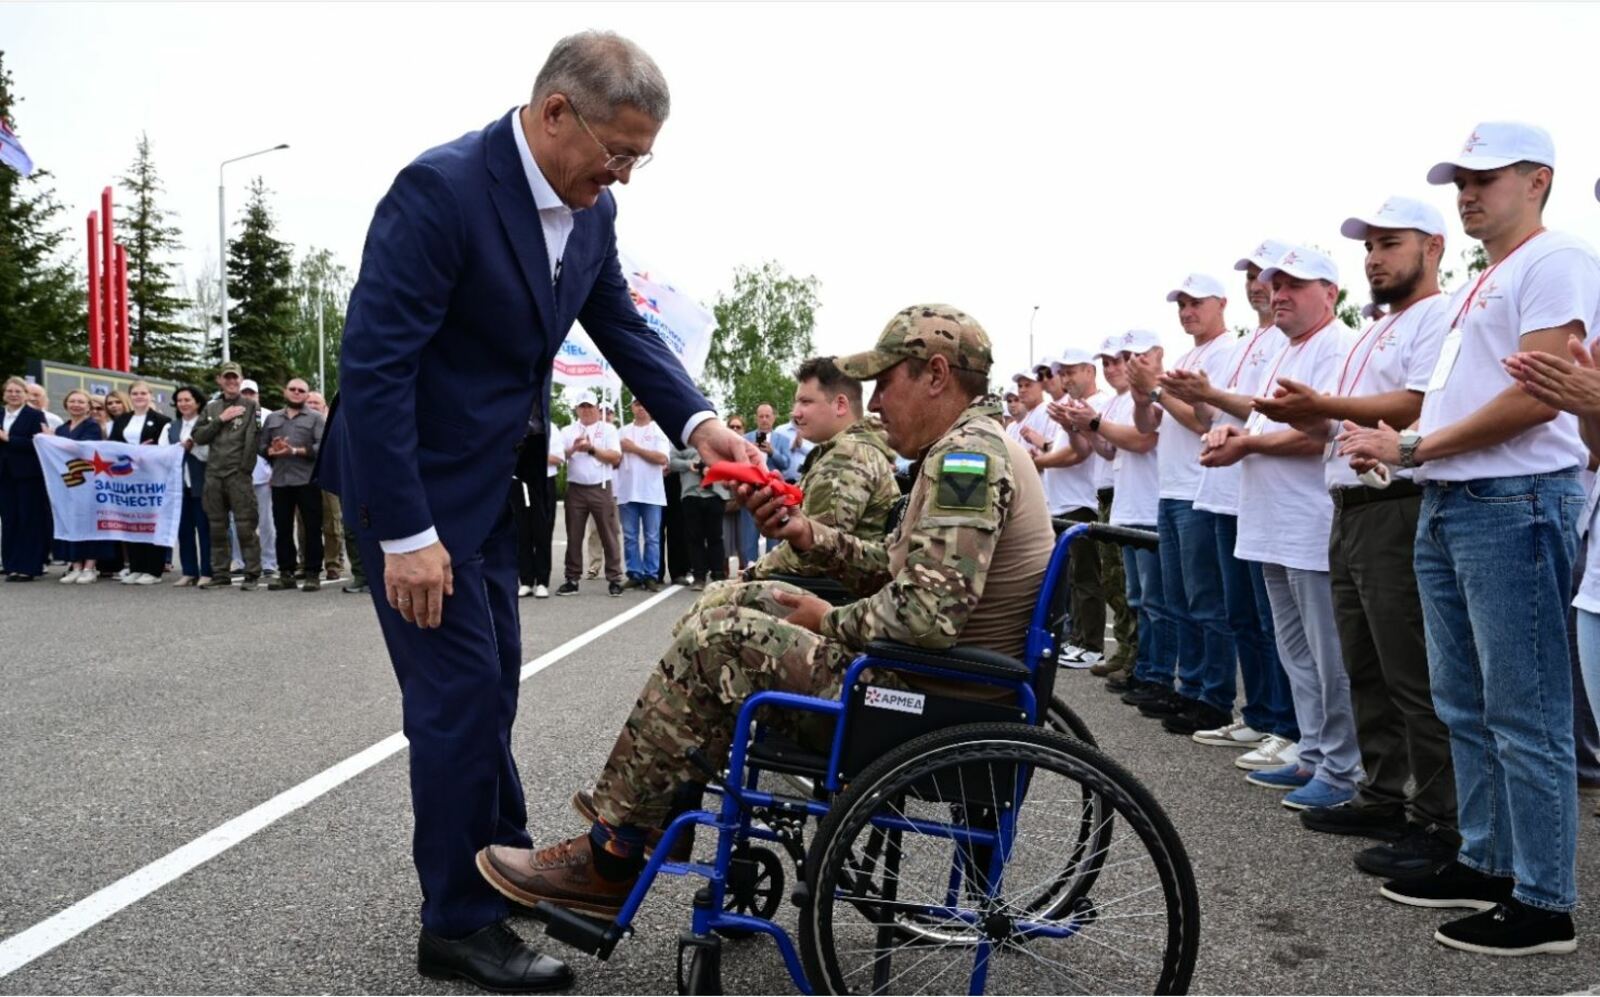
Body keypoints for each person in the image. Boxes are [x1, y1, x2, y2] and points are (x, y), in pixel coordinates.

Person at [315, 31, 753, 992]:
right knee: (458, 701)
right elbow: (376, 369)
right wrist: (405, 535)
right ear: (556, 112)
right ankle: (459, 925)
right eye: (618, 151)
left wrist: (701, 420)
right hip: (415, 491)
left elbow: (623, 329)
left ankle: (497, 862)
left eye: (641, 157)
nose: (626, 175)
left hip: (486, 486)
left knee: (494, 687)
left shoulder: (587, 216)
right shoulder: (442, 191)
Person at [475, 304, 1053, 921]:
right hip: (929, 688)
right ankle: (646, 815)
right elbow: (896, 569)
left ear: (937, 375)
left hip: (922, 704)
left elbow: (924, 617)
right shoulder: (971, 446)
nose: (876, 401)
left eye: (886, 381)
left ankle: (611, 856)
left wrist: (821, 619)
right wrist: (808, 535)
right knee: (739, 606)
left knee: (724, 641)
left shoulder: (969, 458)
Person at [1340, 122, 1597, 956]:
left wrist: (1413, 447)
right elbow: (1462, 397)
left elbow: (1540, 397)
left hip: (1514, 498)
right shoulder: (1486, 282)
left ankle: (1545, 899)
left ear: (1539, 181)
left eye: (1487, 176)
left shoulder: (1558, 261)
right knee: (1464, 700)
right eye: (1462, 178)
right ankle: (1486, 858)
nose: (1469, 190)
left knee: (1525, 709)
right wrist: (1419, 454)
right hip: (1456, 501)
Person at [1254, 198, 1457, 878]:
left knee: (1410, 669)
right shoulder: (1375, 328)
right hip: (1351, 501)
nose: (1375, 256)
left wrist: (1324, 408)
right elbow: (1338, 417)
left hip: (1395, 499)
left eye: (1389, 243)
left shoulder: (1437, 314)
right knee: (1365, 663)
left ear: (1432, 247)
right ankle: (1380, 789)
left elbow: (1420, 403)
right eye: (1369, 245)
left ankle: (1438, 817)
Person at [1201, 245, 1361, 813]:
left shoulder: (1335, 347)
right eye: (1277, 284)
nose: (1281, 294)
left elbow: (1321, 431)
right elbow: (1263, 418)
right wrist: (1228, 434)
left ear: (1330, 294)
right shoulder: (1281, 350)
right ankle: (1313, 752)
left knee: (1328, 652)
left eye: (1297, 284)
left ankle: (1344, 769)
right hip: (1271, 519)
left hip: (1309, 519)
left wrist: (1247, 442)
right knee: (1295, 650)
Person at [1163, 240, 1300, 770]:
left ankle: (1286, 724)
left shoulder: (1268, 344)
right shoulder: (1250, 343)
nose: (1258, 284)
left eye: (1272, 276)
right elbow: (1213, 417)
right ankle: (1262, 714)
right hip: (1226, 490)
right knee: (1244, 616)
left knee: (1272, 622)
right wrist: (1193, 398)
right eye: (1252, 275)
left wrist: (1180, 397)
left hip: (1259, 492)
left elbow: (1258, 414)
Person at [1128, 275, 1240, 735]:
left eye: (1197, 303)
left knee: (1205, 601)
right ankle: (1188, 686)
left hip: (1199, 488)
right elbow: (1146, 425)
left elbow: (1202, 421)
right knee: (1177, 600)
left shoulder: (1226, 353)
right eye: (1182, 305)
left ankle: (1213, 696)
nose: (1188, 312)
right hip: (1170, 489)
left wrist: (1156, 390)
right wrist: (1143, 394)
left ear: (1221, 304)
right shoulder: (1186, 358)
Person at [737, 355, 900, 581]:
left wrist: (752, 574)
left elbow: (816, 550)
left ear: (840, 405)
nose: (795, 413)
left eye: (806, 402)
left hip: (830, 594)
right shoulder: (849, 451)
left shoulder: (847, 456)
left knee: (714, 604)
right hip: (831, 590)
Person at [1034, 348, 1108, 669]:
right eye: (1062, 372)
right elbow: (1067, 448)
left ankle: (1091, 644)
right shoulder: (1066, 408)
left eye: (1072, 370)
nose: (1066, 378)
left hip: (1082, 501)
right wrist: (1065, 430)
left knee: (1087, 577)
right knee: (1075, 579)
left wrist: (1033, 460)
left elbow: (1077, 456)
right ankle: (1079, 639)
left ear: (1090, 371)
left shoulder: (1101, 403)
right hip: (1062, 501)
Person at [192, 362, 262, 590]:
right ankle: (220, 573)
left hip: (237, 475)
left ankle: (252, 573)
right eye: (227, 378)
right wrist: (221, 419)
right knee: (217, 526)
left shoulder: (251, 406)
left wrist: (244, 470)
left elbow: (253, 439)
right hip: (214, 474)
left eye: (235, 378)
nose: (231, 382)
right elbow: (199, 437)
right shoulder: (211, 408)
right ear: (219, 380)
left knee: (245, 526)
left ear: (241, 380)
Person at [260, 377, 326, 592]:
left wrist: (295, 451)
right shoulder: (272, 419)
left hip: (307, 480)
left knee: (312, 528)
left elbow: (321, 448)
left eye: (301, 390)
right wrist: (271, 450)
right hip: (280, 481)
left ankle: (312, 573)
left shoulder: (315, 418)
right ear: (285, 392)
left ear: (307, 395)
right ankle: (286, 572)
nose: (296, 392)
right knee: (283, 528)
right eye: (293, 389)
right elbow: (262, 446)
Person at [559, 392, 625, 596]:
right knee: (574, 535)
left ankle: (614, 578)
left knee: (608, 533)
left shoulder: (608, 429)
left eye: (589, 406)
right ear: (577, 409)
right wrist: (573, 449)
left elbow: (615, 457)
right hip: (576, 487)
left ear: (597, 409)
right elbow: (559, 457)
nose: (586, 410)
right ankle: (572, 578)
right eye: (582, 406)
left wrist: (591, 449)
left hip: (601, 486)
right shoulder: (569, 430)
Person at [107, 380, 172, 585]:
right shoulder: (122, 420)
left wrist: (145, 452)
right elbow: (112, 445)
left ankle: (153, 569)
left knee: (151, 522)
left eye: (143, 393)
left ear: (150, 395)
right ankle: (136, 567)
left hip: (152, 478)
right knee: (132, 521)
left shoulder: (162, 420)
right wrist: (132, 451)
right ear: (130, 396)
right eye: (135, 393)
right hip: (127, 477)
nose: (139, 397)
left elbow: (165, 449)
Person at [51, 389, 112, 584]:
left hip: (88, 481)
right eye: (72, 401)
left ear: (88, 407)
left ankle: (90, 567)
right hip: (67, 483)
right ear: (66, 404)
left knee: (89, 522)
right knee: (70, 522)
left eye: (81, 402)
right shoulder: (61, 428)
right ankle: (75, 565)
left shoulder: (92, 426)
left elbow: (83, 448)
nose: (76, 405)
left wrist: (53, 441)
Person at [615, 399, 672, 590]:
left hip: (651, 492)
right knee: (630, 536)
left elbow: (662, 458)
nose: (641, 408)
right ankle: (634, 573)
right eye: (637, 404)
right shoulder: (622, 432)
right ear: (631, 407)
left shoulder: (658, 431)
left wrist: (635, 449)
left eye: (645, 404)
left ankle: (651, 574)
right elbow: (614, 459)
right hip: (627, 491)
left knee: (652, 536)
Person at [0, 376, 49, 581]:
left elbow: (39, 444)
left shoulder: (35, 415)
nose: (13, 394)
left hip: (28, 475)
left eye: (17, 391)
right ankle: (11, 565)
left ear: (25, 395)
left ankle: (28, 567)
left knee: (28, 519)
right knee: (9, 520)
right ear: (4, 394)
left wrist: (9, 439)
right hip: (4, 475)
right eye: (9, 391)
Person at [165, 386, 211, 588]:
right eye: (180, 400)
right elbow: (163, 453)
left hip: (202, 483)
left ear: (198, 402)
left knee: (205, 529)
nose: (183, 404)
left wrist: (193, 448)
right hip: (179, 486)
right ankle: (189, 571)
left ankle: (208, 571)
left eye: (187, 400)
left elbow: (211, 453)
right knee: (184, 530)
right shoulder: (171, 427)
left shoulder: (206, 425)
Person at [669, 442, 727, 591]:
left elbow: (729, 462)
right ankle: (699, 577)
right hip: (691, 494)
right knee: (695, 539)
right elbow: (672, 462)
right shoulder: (681, 442)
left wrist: (712, 468)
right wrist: (689, 464)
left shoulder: (718, 440)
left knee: (716, 537)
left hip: (715, 494)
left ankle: (718, 574)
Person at [737, 402, 790, 563]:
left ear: (773, 418)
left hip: (773, 494)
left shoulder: (782, 439)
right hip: (751, 492)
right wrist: (749, 453)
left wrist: (772, 452)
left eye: (767, 416)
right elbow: (739, 465)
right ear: (756, 418)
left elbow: (786, 464)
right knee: (749, 538)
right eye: (761, 416)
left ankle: (770, 572)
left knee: (773, 539)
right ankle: (749, 572)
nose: (764, 420)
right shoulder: (745, 439)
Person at [239, 379, 279, 577]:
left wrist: (274, 472)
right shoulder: (231, 414)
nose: (248, 397)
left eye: (251, 393)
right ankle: (240, 561)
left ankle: (269, 562)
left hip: (263, 477)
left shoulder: (268, 416)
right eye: (244, 393)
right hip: (237, 477)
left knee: (266, 523)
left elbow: (275, 446)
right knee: (239, 522)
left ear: (257, 395)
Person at [768, 413, 814, 485]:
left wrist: (801, 446)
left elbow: (818, 453)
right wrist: (791, 448)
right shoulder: (780, 430)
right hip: (784, 481)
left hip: (807, 481)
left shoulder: (813, 431)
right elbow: (773, 454)